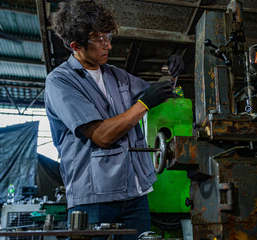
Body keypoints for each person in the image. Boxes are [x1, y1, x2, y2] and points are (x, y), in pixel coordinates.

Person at [44, 1, 184, 239]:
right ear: (75, 45)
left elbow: (158, 94)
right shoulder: (60, 82)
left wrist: (170, 74)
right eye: (99, 40)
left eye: (108, 36)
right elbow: (102, 135)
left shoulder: (117, 76)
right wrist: (144, 104)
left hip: (134, 193)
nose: (108, 44)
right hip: (94, 198)